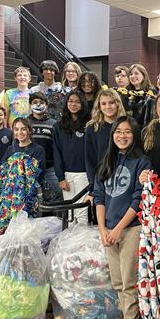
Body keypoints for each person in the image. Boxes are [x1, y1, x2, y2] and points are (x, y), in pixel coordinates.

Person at [94, 116, 152, 319]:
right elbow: (99, 196)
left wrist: (118, 229)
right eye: (118, 131)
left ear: (134, 135)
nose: (122, 136)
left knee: (129, 282)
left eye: (128, 132)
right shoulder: (107, 160)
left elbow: (139, 199)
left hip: (130, 229)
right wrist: (103, 229)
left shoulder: (142, 162)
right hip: (109, 230)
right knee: (117, 282)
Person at [53, 91, 90, 223]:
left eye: (77, 101)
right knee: (69, 215)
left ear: (83, 104)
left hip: (84, 175)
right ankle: (69, 243)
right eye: (71, 101)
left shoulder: (89, 125)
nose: (73, 104)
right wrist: (61, 178)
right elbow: (56, 153)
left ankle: (81, 243)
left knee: (81, 213)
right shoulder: (58, 126)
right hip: (67, 175)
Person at [85, 88, 126, 201]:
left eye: (111, 102)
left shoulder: (127, 124)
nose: (108, 107)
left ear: (117, 103)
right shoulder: (92, 128)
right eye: (104, 103)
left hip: (123, 178)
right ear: (99, 106)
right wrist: (93, 187)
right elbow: (90, 159)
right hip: (101, 181)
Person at [28, 92, 62, 203]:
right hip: (29, 168)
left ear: (46, 106)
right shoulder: (25, 122)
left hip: (50, 168)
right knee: (31, 198)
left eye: (41, 102)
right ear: (30, 105)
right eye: (35, 102)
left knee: (56, 194)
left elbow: (58, 147)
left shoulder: (54, 124)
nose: (38, 105)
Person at [2, 117, 46, 185]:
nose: (20, 132)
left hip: (31, 190)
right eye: (16, 129)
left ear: (30, 131)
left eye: (23, 129)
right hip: (11, 190)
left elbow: (39, 173)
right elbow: (2, 169)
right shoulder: (10, 149)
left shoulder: (38, 150)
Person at [123, 63, 154, 127]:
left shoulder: (151, 93)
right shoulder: (126, 93)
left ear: (143, 75)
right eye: (131, 74)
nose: (133, 76)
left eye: (136, 73)